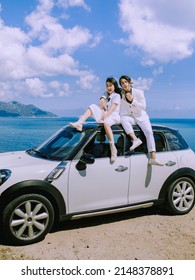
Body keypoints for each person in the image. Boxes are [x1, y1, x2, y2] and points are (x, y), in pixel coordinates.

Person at [69, 77, 121, 163]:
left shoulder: (117, 95)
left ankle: (113, 148)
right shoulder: (107, 96)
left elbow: (112, 109)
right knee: (92, 106)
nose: (109, 87)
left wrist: (104, 117)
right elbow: (105, 108)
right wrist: (103, 110)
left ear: (115, 85)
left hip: (114, 116)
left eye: (111, 85)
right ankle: (80, 122)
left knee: (106, 123)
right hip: (106, 115)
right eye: (107, 86)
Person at [119, 75, 163, 166]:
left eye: (125, 82)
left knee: (149, 132)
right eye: (122, 83)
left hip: (141, 116)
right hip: (131, 117)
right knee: (123, 118)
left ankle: (153, 157)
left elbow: (143, 107)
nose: (124, 84)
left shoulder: (139, 92)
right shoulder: (121, 94)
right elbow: (110, 90)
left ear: (129, 82)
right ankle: (135, 140)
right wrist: (103, 98)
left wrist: (132, 100)